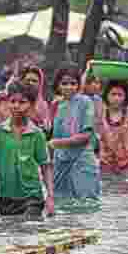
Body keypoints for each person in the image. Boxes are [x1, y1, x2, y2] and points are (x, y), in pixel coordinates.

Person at [0, 82, 56, 218]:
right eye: (12, 101)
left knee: (30, 228)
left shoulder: (37, 134)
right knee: (10, 234)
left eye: (22, 102)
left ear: (31, 105)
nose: (16, 106)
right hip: (7, 198)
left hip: (32, 196)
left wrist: (50, 197)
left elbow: (45, 166)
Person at [48, 66, 101, 200]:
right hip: (61, 163)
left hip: (82, 161)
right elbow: (51, 134)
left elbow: (86, 136)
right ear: (58, 85)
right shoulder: (56, 105)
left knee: (86, 204)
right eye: (64, 83)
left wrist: (57, 143)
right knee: (61, 203)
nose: (69, 87)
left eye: (73, 83)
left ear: (78, 85)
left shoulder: (85, 102)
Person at [98, 80, 128, 180]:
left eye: (120, 95)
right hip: (106, 162)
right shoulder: (100, 113)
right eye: (113, 94)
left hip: (126, 163)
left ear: (125, 98)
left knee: (127, 192)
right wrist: (88, 70)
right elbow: (79, 95)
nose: (116, 98)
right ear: (106, 96)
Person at [0, 64, 51, 131]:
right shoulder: (5, 99)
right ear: (22, 80)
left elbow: (46, 129)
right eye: (28, 80)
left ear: (40, 83)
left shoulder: (43, 106)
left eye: (34, 81)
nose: (30, 83)